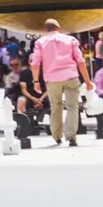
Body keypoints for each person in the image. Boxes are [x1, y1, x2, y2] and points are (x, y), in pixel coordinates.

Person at [30, 18, 91, 147]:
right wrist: (87, 80)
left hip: (52, 79)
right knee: (72, 106)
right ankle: (71, 137)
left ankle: (57, 136)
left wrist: (36, 80)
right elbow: (80, 61)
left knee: (55, 106)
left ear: (46, 30)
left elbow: (35, 63)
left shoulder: (40, 42)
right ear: (59, 28)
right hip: (71, 76)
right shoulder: (70, 40)